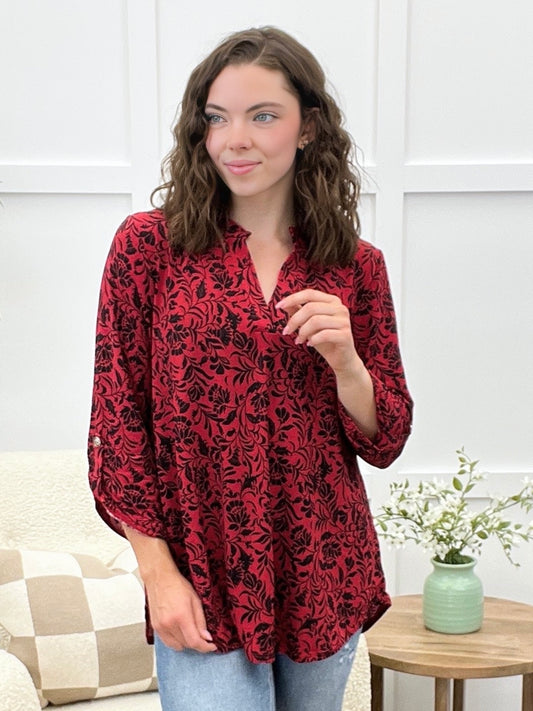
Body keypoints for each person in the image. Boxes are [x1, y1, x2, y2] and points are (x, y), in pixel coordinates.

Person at [88, 26, 413, 711]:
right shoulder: (149, 248)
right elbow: (117, 424)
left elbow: (386, 436)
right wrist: (158, 575)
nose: (235, 139)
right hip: (201, 574)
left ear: (308, 128)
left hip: (322, 571)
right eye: (218, 118)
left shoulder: (355, 265)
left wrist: (347, 360)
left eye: (262, 116)